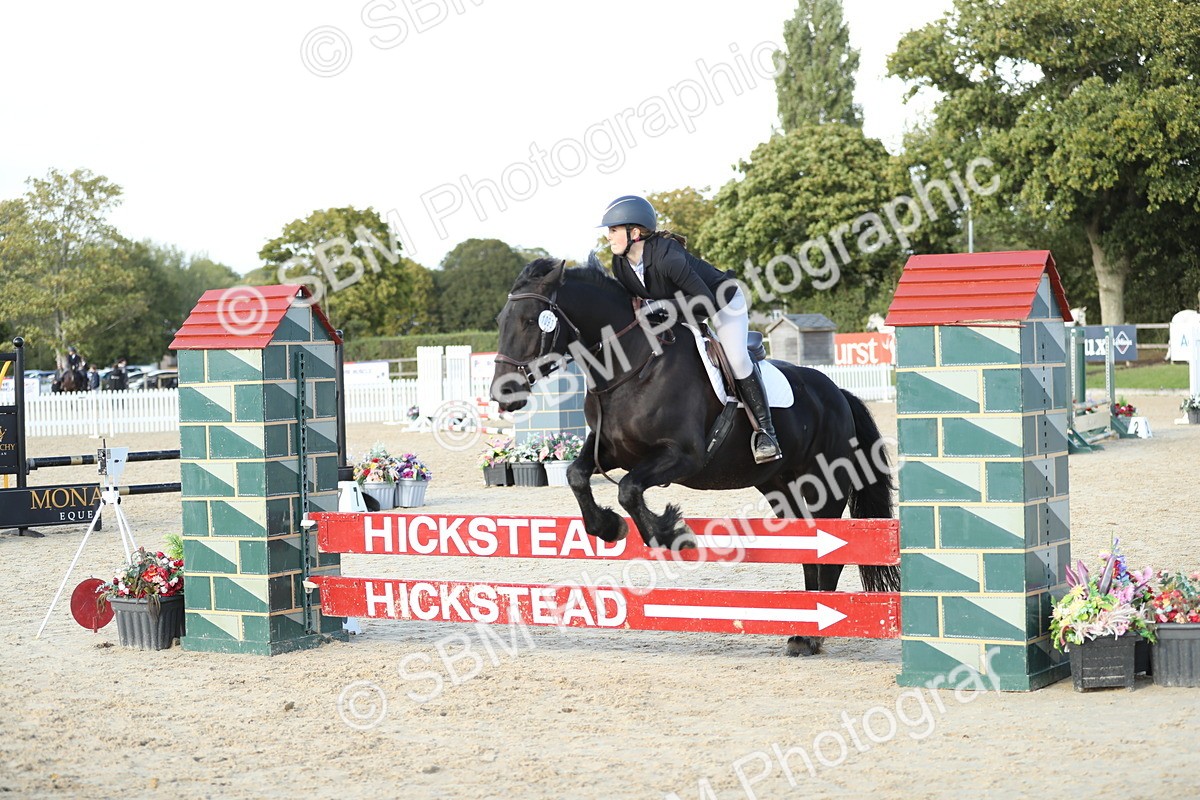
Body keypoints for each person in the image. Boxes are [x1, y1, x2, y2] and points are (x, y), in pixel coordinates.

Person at [600, 195, 782, 463]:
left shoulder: (668, 257)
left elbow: (706, 302)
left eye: (613, 230)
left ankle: (767, 433)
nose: (608, 237)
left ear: (634, 232)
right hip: (682, 313)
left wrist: (660, 305)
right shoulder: (620, 264)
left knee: (736, 357)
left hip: (722, 304)